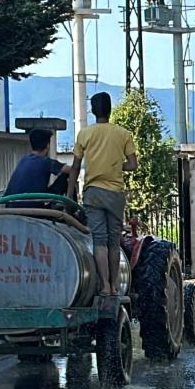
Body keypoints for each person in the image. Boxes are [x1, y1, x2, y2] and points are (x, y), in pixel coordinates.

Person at [67, 92, 137, 296]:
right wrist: (115, 166)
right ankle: (115, 286)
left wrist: (69, 197)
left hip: (93, 193)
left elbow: (75, 168)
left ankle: (104, 285)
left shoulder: (84, 134)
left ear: (92, 110)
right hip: (115, 193)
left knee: (99, 240)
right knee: (114, 241)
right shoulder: (123, 134)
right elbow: (133, 165)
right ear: (110, 110)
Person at [4, 129, 71, 207]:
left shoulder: (24, 160)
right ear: (47, 145)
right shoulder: (46, 162)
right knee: (65, 176)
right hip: (34, 207)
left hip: (11, 205)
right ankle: (73, 209)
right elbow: (71, 170)